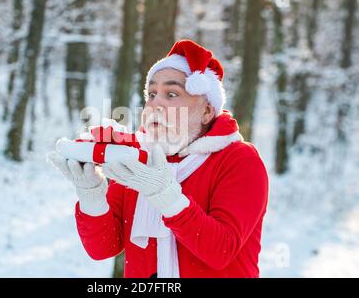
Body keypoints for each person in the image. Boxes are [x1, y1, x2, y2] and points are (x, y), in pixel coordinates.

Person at [49, 39, 269, 278]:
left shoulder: (239, 160)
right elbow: (103, 247)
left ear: (207, 111)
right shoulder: (138, 157)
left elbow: (221, 250)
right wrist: (91, 194)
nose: (155, 104)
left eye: (172, 94)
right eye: (151, 94)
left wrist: (167, 197)